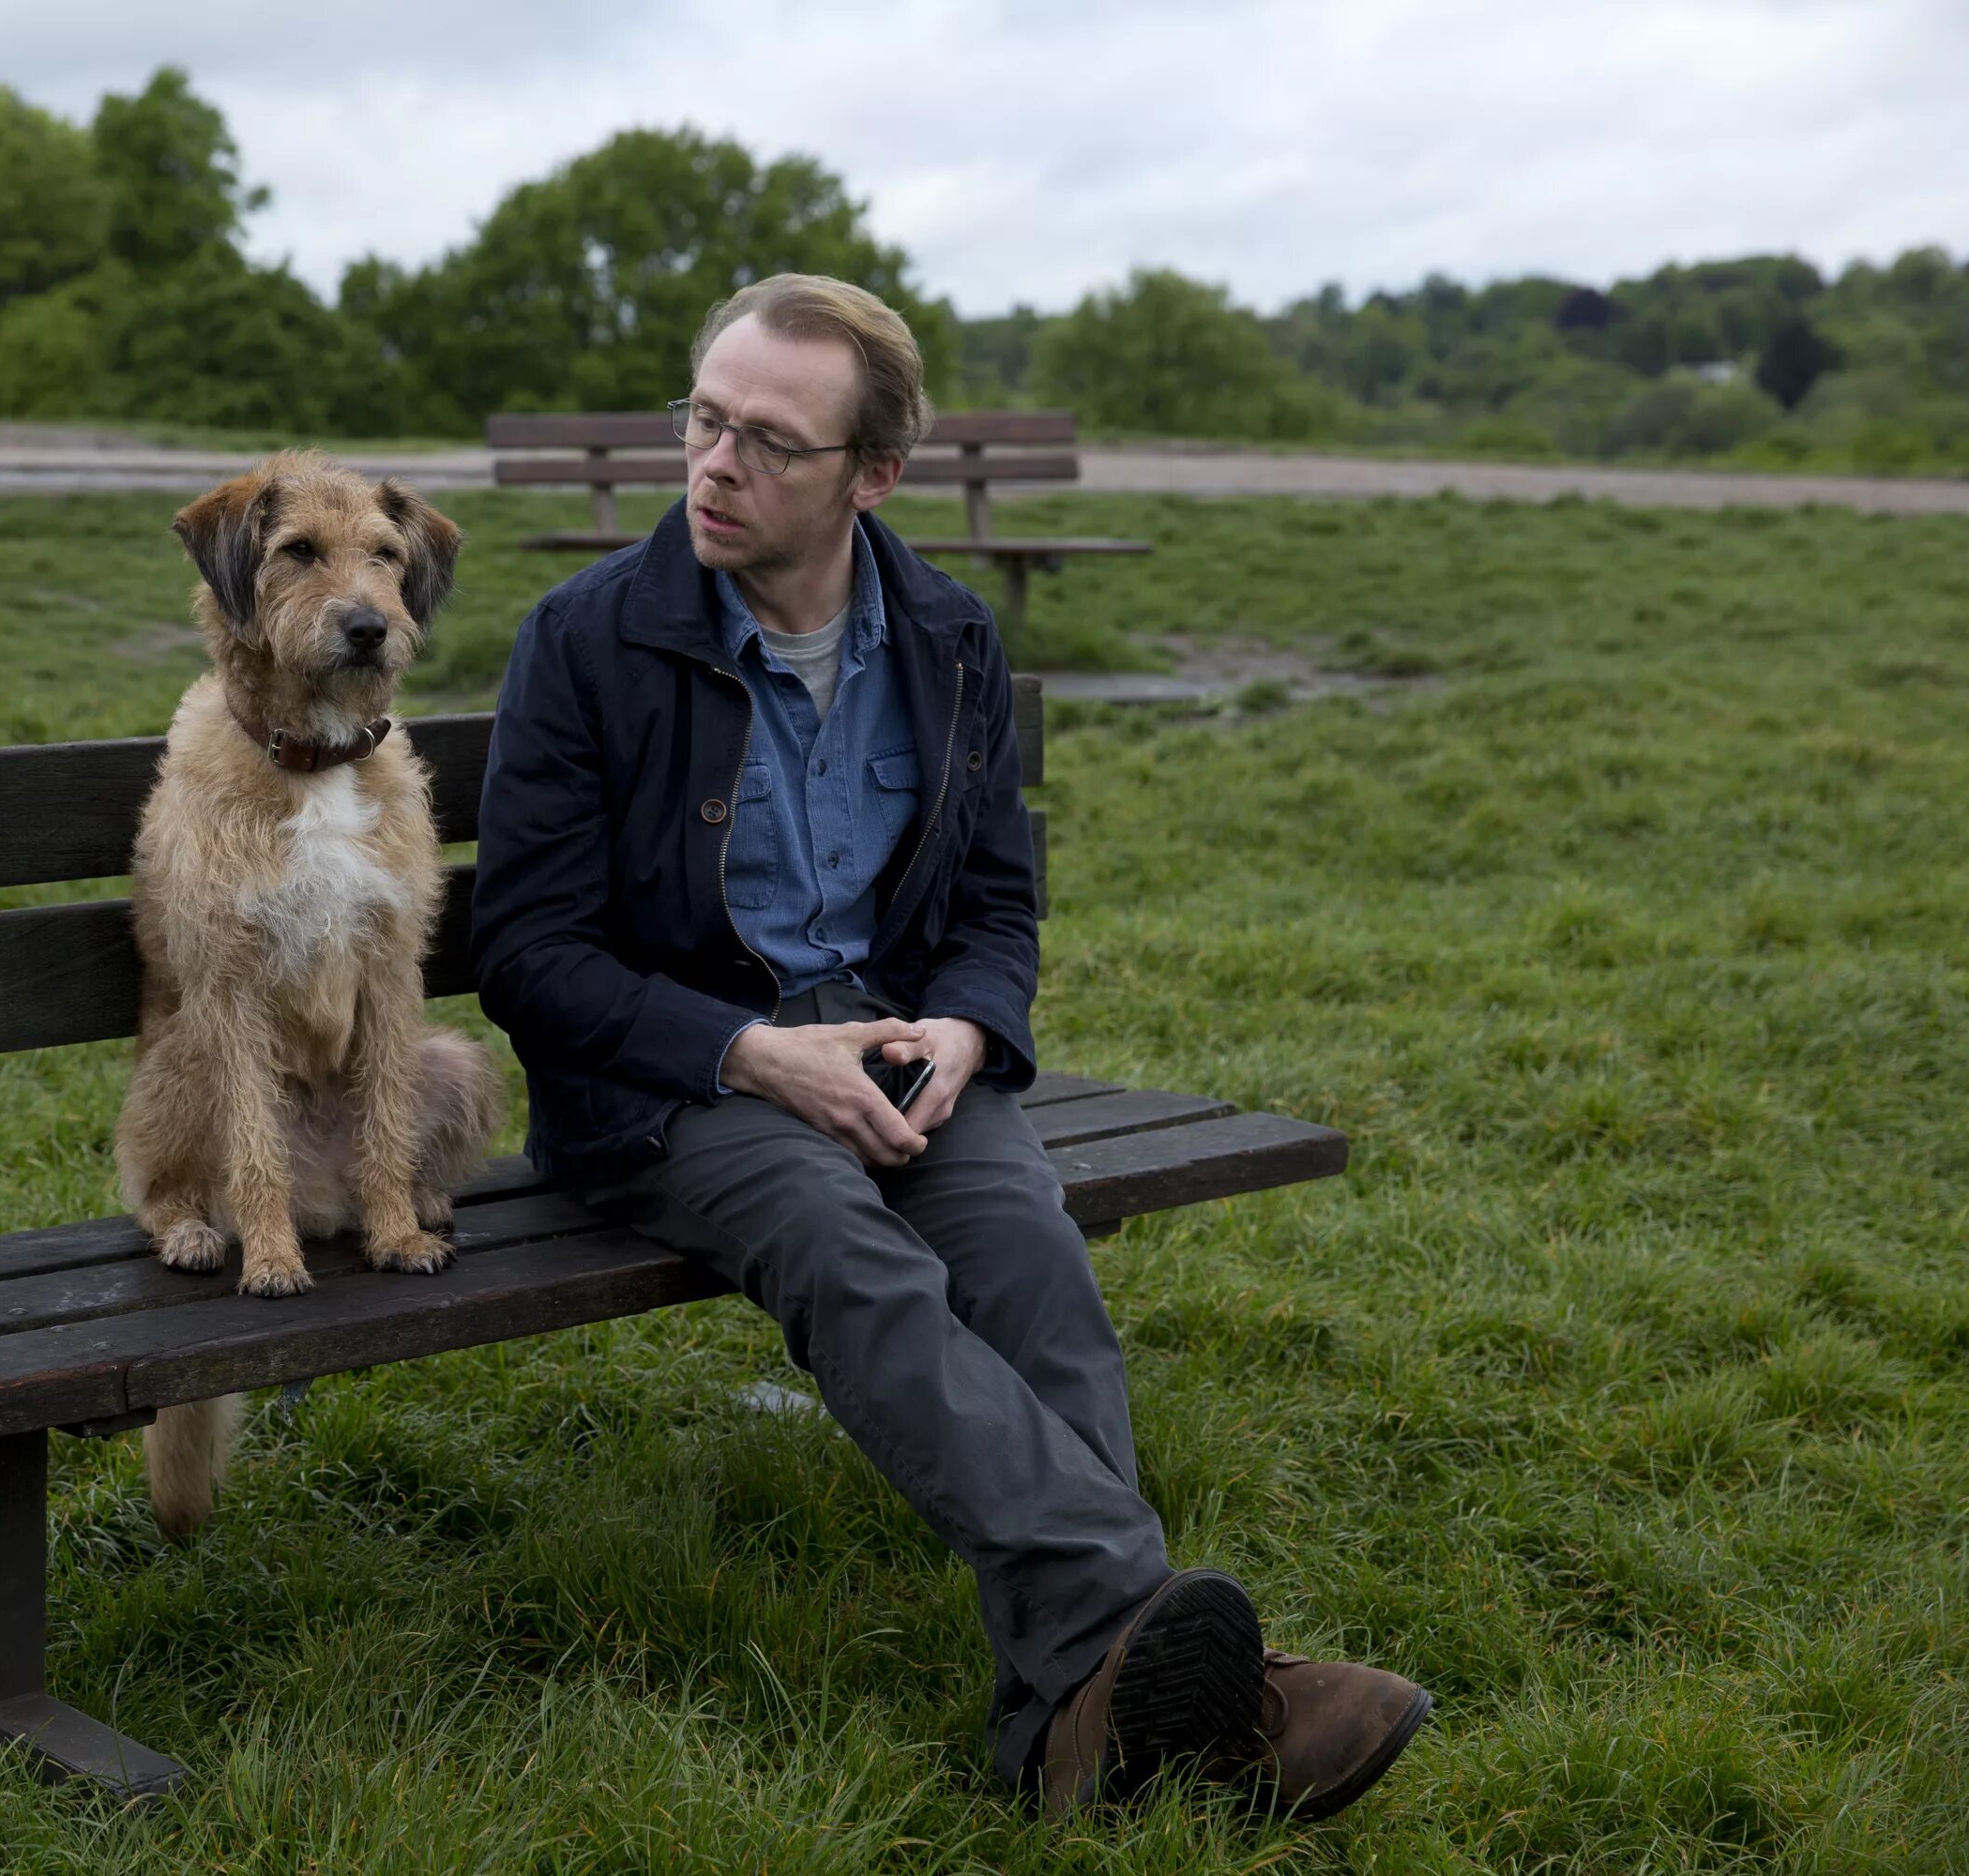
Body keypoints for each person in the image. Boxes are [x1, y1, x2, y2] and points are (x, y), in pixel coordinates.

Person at [469, 273, 1431, 1820]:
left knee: (1027, 1250)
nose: (716, 464)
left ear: (873, 475)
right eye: (704, 420)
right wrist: (754, 1055)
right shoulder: (588, 641)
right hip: (676, 1087)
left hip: (904, 1049)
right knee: (851, 1252)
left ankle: (1074, 1734)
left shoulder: (946, 634)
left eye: (771, 441)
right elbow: (527, 956)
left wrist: (973, 1026)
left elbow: (993, 899)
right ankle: (1169, 1678)